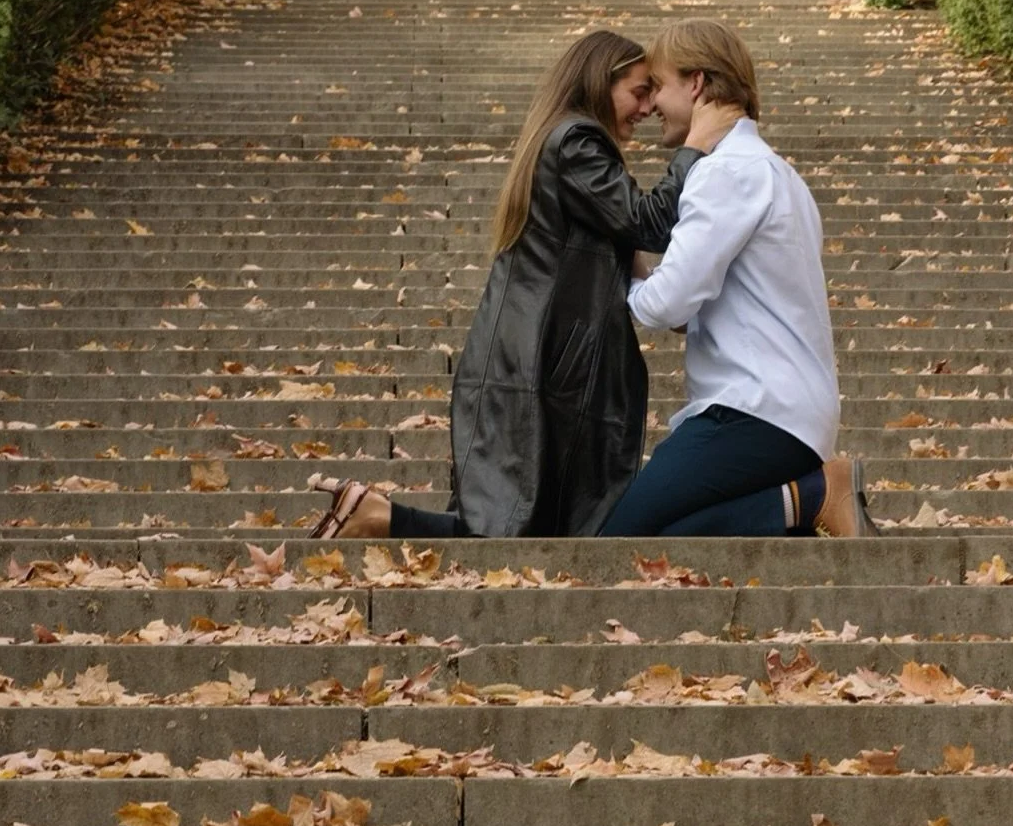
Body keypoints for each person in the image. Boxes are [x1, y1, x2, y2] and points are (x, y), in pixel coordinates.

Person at [309, 28, 734, 540]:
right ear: (601, 82)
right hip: (544, 362)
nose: (645, 108)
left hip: (540, 358)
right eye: (638, 91)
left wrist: (662, 290)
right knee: (521, 529)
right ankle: (376, 515)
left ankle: (375, 514)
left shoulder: (564, 138)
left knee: (529, 526)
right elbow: (647, 220)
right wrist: (694, 147)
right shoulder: (577, 140)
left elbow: (615, 235)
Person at [599, 17, 877, 539]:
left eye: (659, 85)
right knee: (668, 539)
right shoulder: (776, 171)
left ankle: (817, 493)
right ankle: (801, 505)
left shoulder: (725, 171)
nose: (652, 103)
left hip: (754, 410)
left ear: (697, 83)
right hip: (785, 411)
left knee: (619, 540)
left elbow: (664, 306)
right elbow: (700, 304)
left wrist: (604, 281)